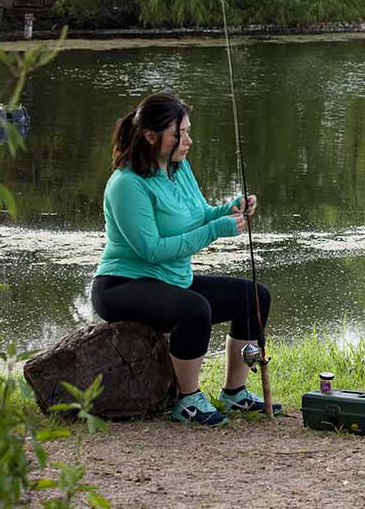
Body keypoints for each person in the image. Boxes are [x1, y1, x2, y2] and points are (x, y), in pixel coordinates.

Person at [92, 92, 278, 427]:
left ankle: (235, 392)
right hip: (123, 285)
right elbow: (151, 249)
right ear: (151, 136)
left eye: (189, 132)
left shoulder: (179, 169)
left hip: (171, 280)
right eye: (181, 133)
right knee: (195, 309)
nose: (188, 140)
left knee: (255, 297)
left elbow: (198, 215)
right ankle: (187, 400)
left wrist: (229, 209)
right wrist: (215, 231)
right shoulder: (126, 184)